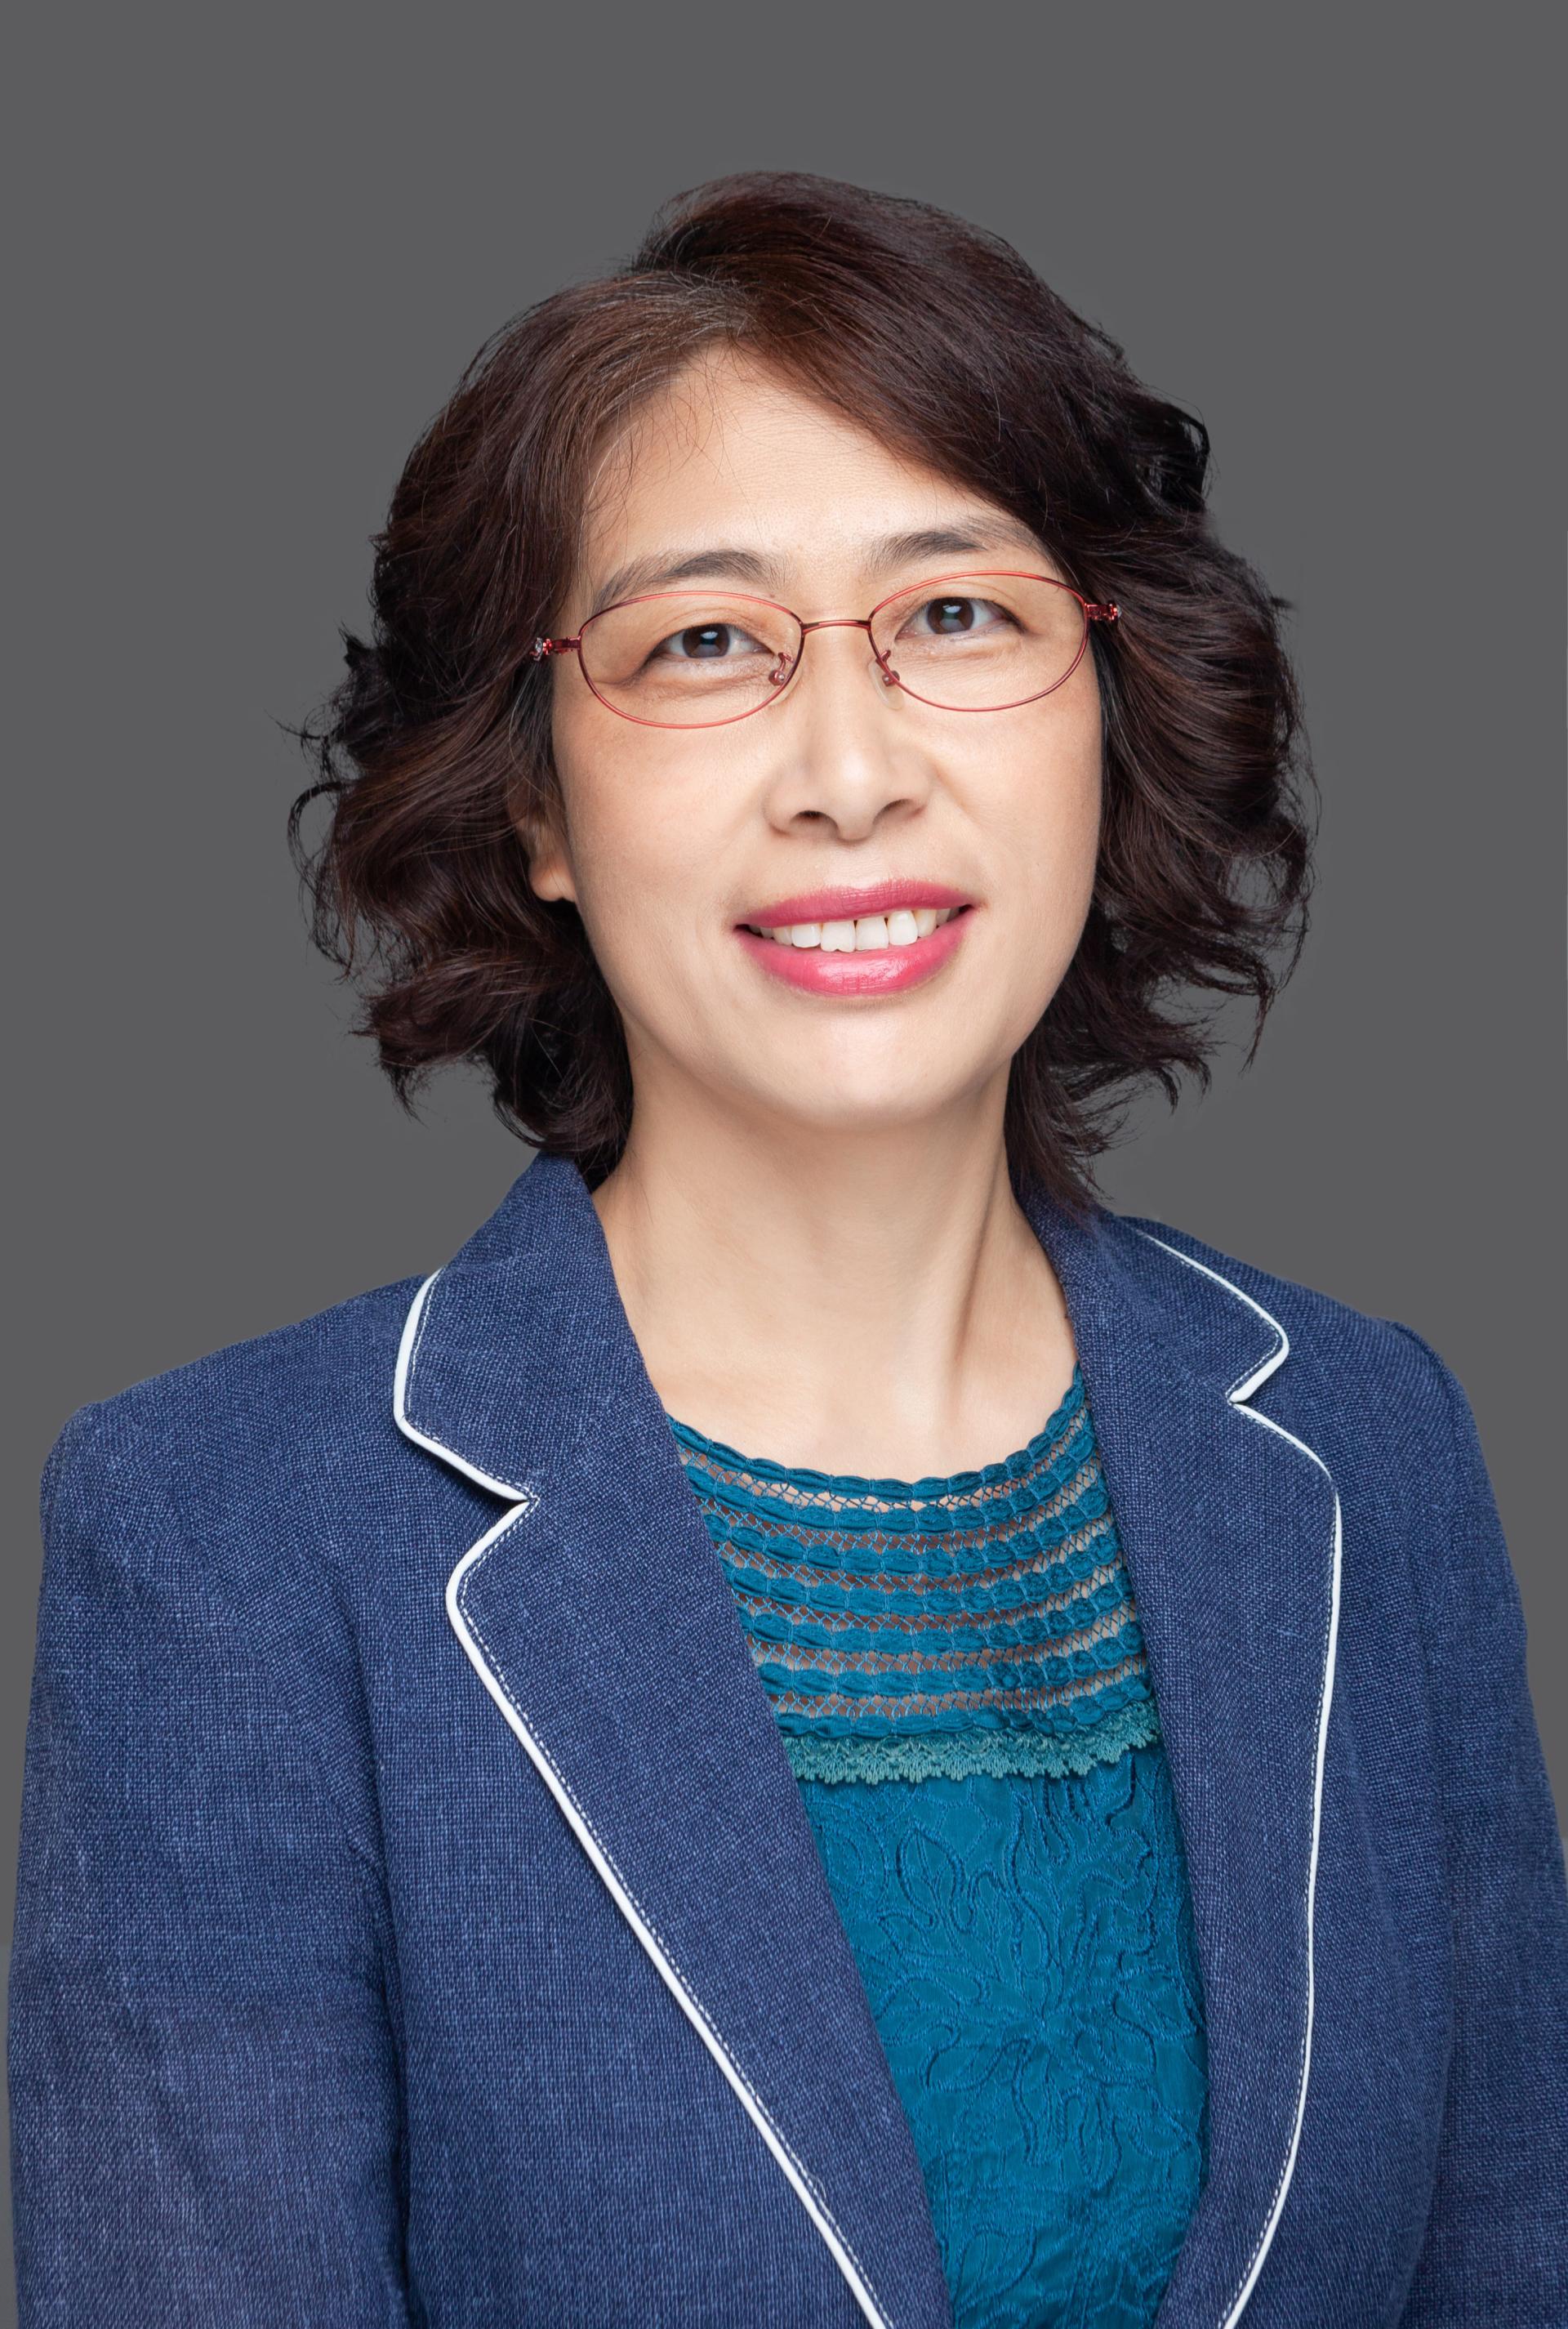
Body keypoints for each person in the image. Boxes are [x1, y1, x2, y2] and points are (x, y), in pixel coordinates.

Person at [10, 169, 1566, 2329]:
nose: (851, 770)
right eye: (704, 644)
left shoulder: (1371, 1449)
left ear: (1108, 708)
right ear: (535, 805)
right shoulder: (228, 1536)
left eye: (959, 616)